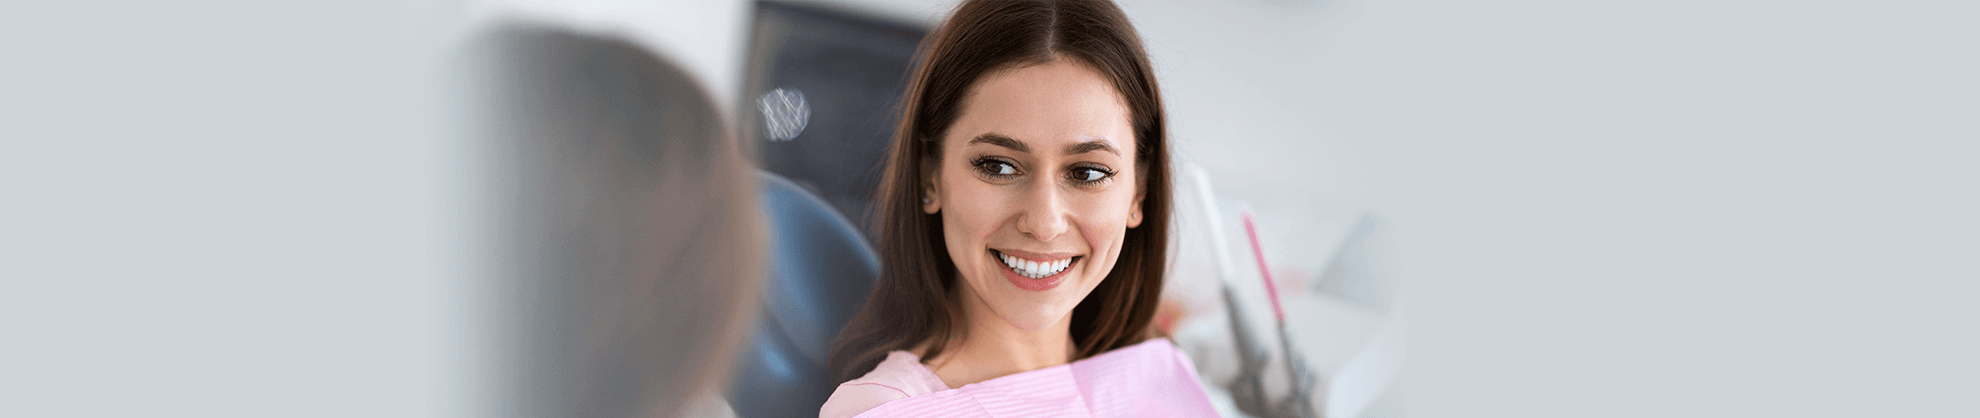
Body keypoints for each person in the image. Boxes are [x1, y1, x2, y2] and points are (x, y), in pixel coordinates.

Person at [821, 1, 1216, 416]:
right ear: (929, 176)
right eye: (998, 166)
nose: (1044, 222)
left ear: (1138, 193)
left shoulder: (1156, 378)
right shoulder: (887, 411)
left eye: (1086, 173)